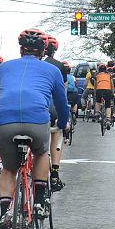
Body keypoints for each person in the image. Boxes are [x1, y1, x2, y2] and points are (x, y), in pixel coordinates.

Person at [0, 28, 70, 229]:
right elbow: (62, 104)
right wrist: (63, 124)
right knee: (42, 152)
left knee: (9, 168)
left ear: (20, 48)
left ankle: (5, 213)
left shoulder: (4, 68)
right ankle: (39, 201)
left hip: (6, 121)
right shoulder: (51, 70)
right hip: (37, 121)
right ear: (44, 50)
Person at [42, 35, 69, 191]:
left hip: (33, 111)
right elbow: (62, 92)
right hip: (52, 109)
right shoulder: (59, 66)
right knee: (56, 136)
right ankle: (54, 173)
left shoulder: (34, 64)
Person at [94, 63, 114, 129]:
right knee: (108, 105)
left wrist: (95, 93)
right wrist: (113, 92)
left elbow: (95, 86)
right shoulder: (109, 75)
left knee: (98, 101)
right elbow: (112, 85)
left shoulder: (97, 76)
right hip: (108, 90)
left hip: (99, 90)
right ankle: (108, 119)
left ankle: (97, 113)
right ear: (105, 70)